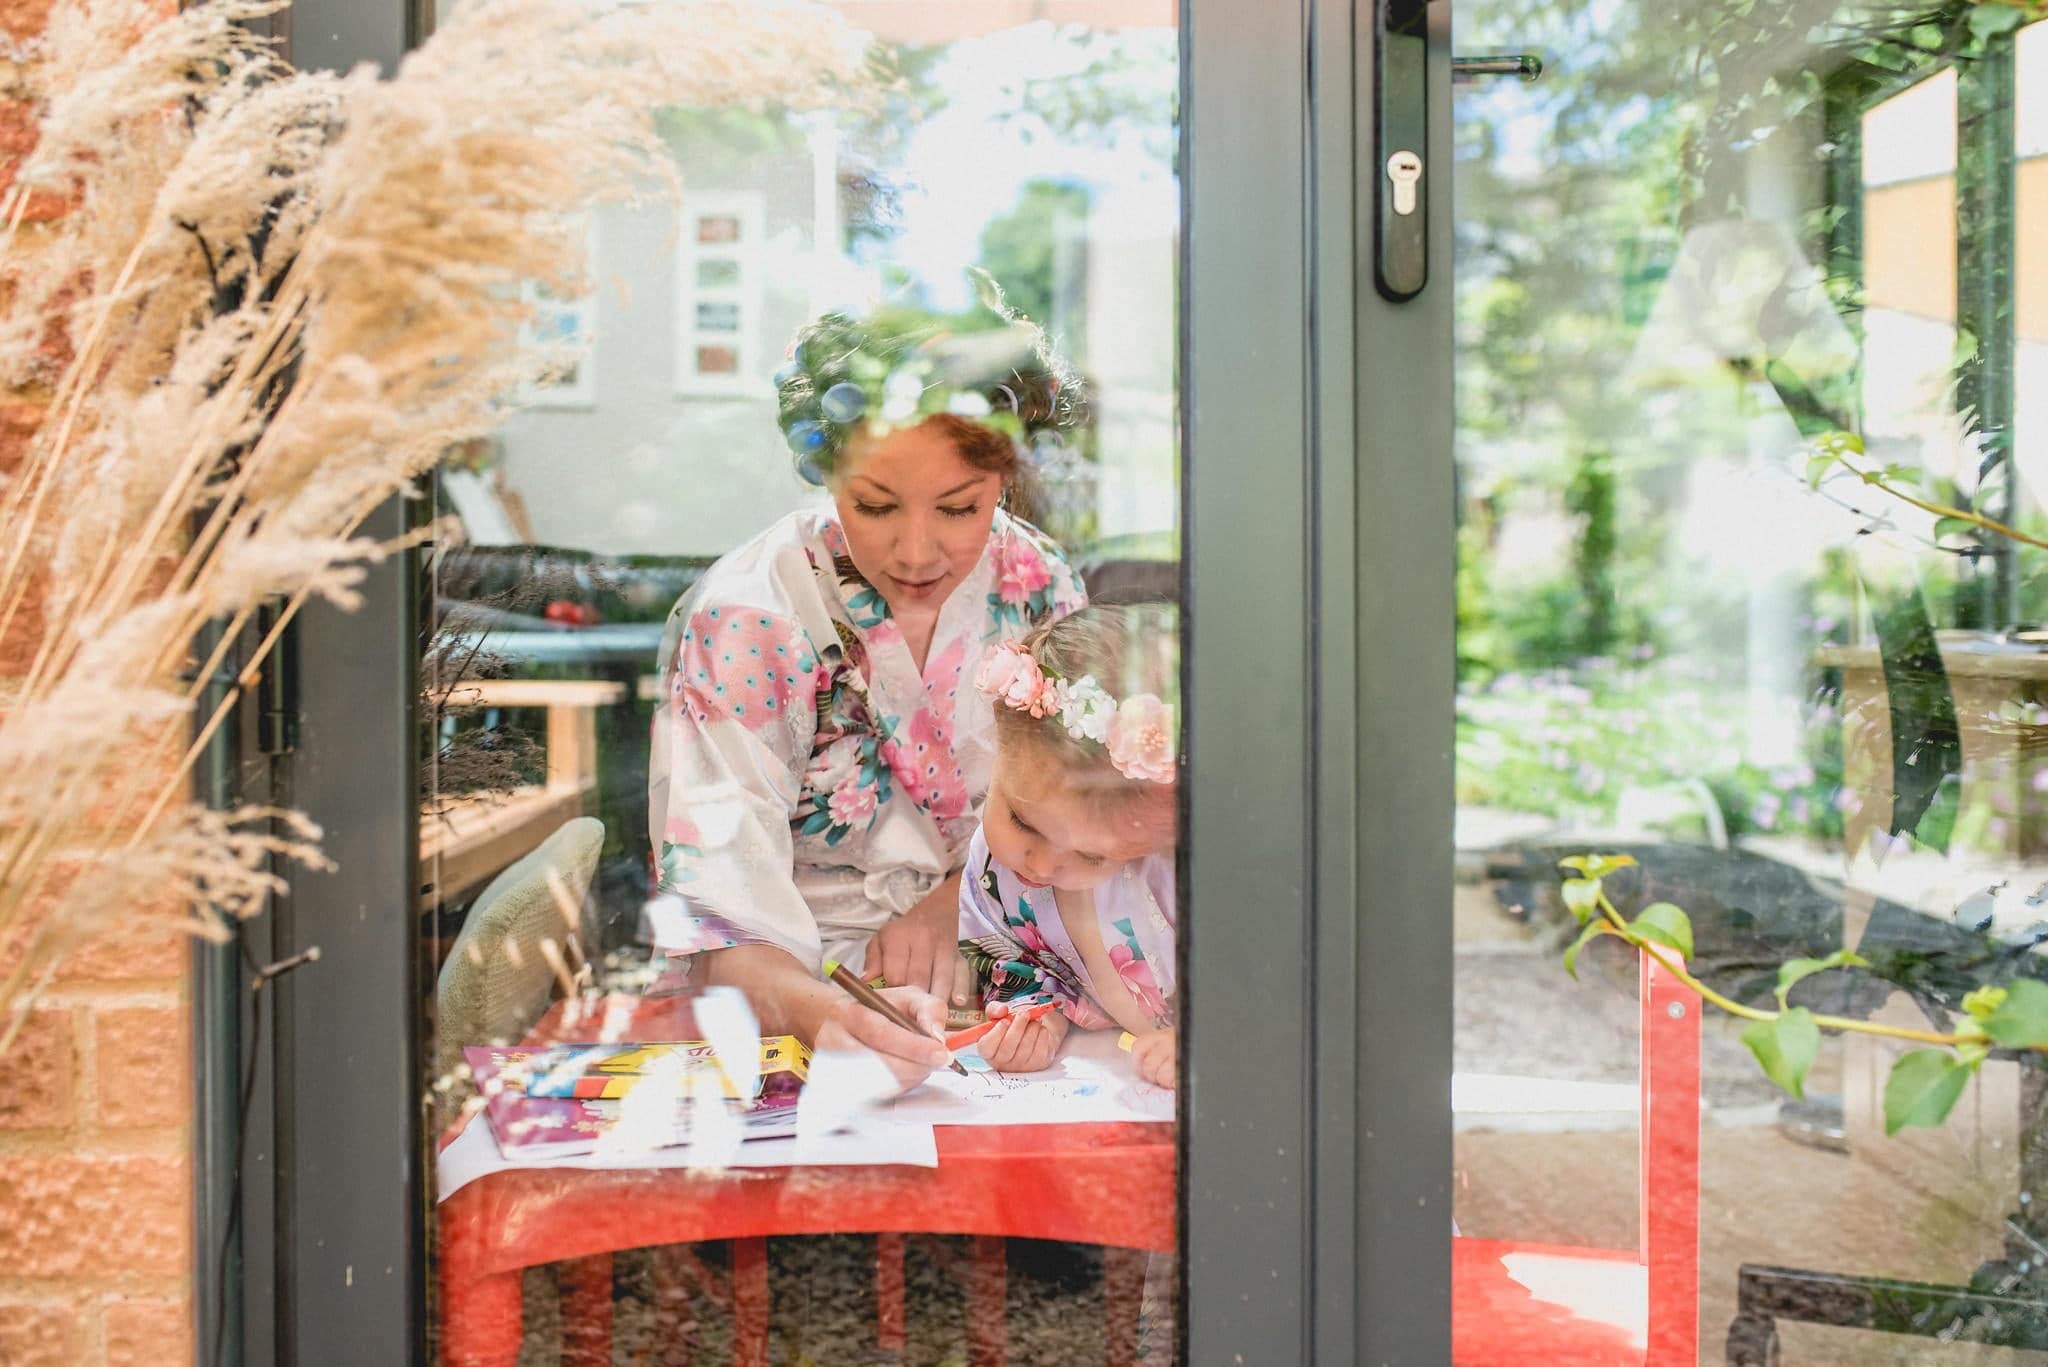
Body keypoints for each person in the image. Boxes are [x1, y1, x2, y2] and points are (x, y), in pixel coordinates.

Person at [647, 306, 1088, 1089]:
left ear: (1006, 477)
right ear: (824, 470)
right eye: (875, 505)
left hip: (1015, 980)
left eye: (960, 507)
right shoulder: (748, 619)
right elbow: (718, 912)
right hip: (791, 988)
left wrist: (956, 899)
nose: (916, 551)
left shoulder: (1039, 585)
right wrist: (825, 1013)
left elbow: (1085, 811)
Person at [956, 604, 1180, 1089]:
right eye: (1021, 820)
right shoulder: (993, 869)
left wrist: (1207, 1039)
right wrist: (1036, 1012)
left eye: (1091, 855)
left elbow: (1264, 972)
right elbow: (1006, 952)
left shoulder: (1175, 870)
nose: (1040, 863)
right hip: (1118, 1078)